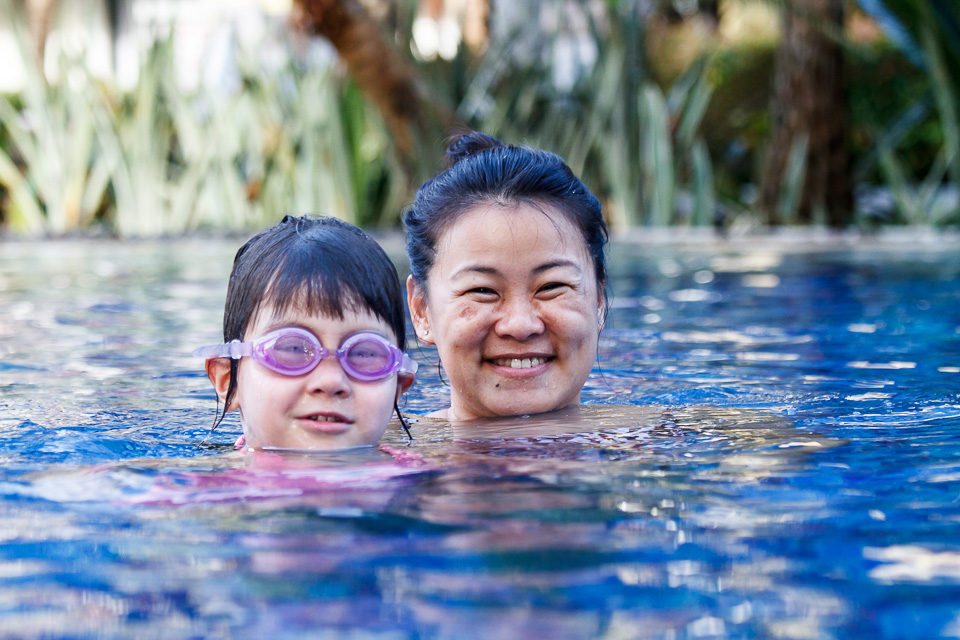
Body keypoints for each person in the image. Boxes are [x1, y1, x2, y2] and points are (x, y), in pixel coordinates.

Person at [403, 131, 609, 422]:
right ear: (421, 310)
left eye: (552, 286)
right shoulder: (380, 448)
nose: (520, 325)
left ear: (598, 301)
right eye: (482, 290)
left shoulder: (657, 437)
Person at [194, 215, 418, 451]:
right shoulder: (197, 475)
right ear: (229, 381)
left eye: (364, 354)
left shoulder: (426, 471)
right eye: (293, 349)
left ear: (397, 389)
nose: (331, 381)